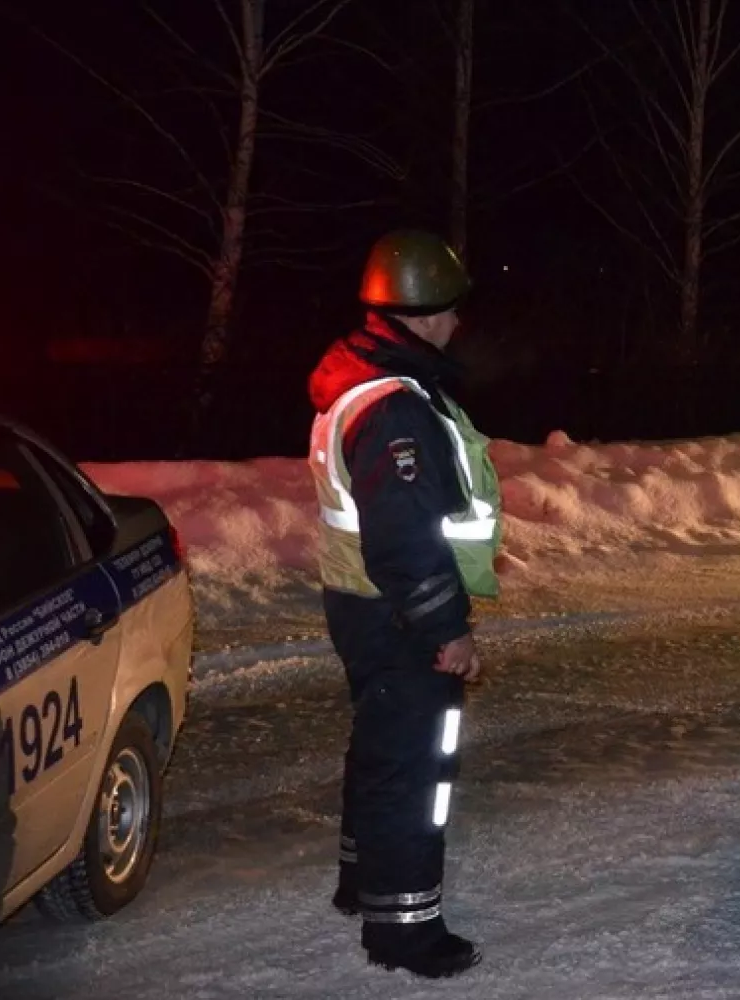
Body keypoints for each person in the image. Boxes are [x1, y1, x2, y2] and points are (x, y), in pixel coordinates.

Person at [305, 229, 502, 978]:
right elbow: (407, 538)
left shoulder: (361, 378)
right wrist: (447, 630)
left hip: (359, 600)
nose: (458, 324)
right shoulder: (394, 410)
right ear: (423, 313)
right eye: (451, 311)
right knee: (415, 771)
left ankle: (364, 885)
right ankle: (405, 930)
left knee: (381, 752)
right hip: (395, 610)